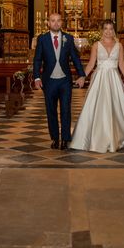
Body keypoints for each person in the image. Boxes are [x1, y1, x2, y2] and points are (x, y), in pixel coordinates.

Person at [70, 20, 124, 153]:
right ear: (102, 30)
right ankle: (95, 137)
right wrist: (83, 76)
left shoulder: (119, 45)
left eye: (110, 28)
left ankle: (119, 136)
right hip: (99, 79)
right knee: (98, 107)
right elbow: (91, 64)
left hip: (114, 79)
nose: (108, 31)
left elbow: (122, 65)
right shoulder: (96, 45)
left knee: (117, 108)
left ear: (113, 30)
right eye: (105, 28)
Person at [33, 13, 86, 150]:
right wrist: (37, 77)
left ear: (61, 22)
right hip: (49, 81)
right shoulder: (43, 39)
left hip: (64, 81)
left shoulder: (68, 38)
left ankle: (65, 139)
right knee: (51, 111)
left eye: (58, 20)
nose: (56, 23)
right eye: (53, 21)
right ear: (48, 23)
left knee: (66, 110)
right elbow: (37, 59)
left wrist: (81, 75)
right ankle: (55, 138)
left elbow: (75, 58)